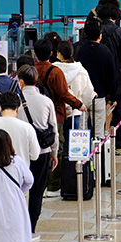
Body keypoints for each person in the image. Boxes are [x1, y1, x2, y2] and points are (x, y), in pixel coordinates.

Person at [48, 41, 96, 197]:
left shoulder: (54, 70)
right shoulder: (81, 71)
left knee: (58, 147)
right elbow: (89, 95)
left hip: (58, 114)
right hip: (76, 114)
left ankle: (56, 182)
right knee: (74, 150)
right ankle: (74, 181)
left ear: (59, 54)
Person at [16, 65, 59, 236]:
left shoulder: (14, 101)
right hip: (42, 151)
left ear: (20, 82)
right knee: (37, 191)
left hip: (19, 153)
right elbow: (53, 129)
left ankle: (19, 227)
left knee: (19, 190)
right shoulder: (46, 101)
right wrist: (54, 154)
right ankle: (31, 227)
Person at [97, 3, 121, 150]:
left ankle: (98, 137)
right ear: (114, 17)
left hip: (98, 75)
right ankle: (119, 141)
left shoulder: (96, 30)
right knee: (118, 107)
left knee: (98, 105)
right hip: (117, 75)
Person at [74, 19, 118, 137]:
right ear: (100, 35)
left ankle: (83, 155)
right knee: (99, 132)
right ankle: (98, 154)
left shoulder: (77, 49)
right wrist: (112, 97)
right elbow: (111, 77)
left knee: (81, 132)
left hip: (81, 96)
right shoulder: (106, 52)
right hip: (99, 96)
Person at [0, 92, 40, 167]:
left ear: (0, 108)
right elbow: (35, 155)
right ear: (17, 109)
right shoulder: (27, 128)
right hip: (19, 174)